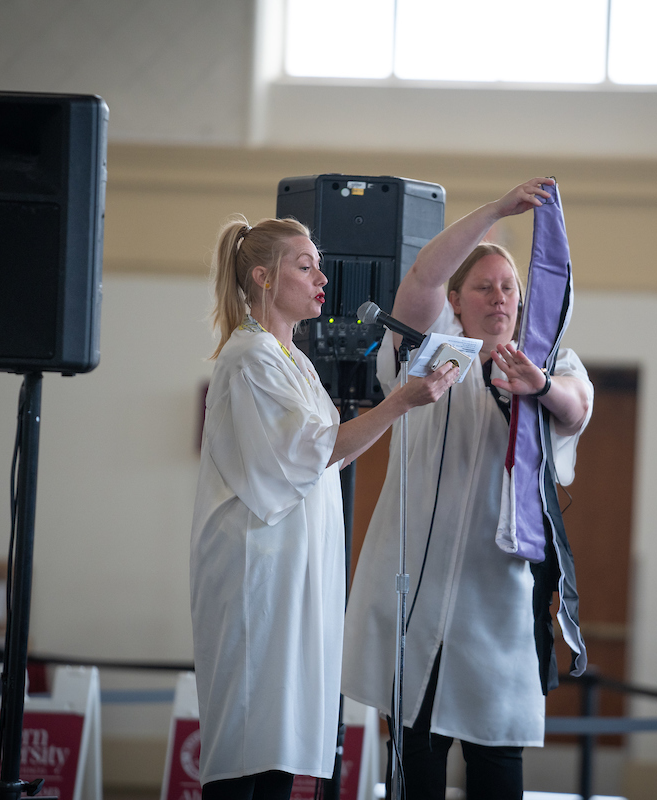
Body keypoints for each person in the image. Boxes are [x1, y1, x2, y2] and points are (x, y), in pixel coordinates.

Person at [190, 216, 458, 800]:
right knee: (248, 742)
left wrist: (402, 401)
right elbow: (312, 449)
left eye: (319, 264)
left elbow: (328, 456)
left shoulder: (296, 361)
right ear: (262, 276)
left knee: (280, 739)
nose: (321, 279)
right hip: (255, 573)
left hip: (295, 569)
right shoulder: (252, 357)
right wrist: (402, 402)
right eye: (304, 265)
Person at [342, 179, 594, 800]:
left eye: (509, 287)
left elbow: (577, 407)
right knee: (416, 771)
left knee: (496, 769)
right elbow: (423, 280)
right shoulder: (427, 357)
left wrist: (536, 388)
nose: (499, 297)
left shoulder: (547, 363)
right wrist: (497, 212)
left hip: (499, 607)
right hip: (418, 605)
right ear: (457, 301)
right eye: (483, 286)